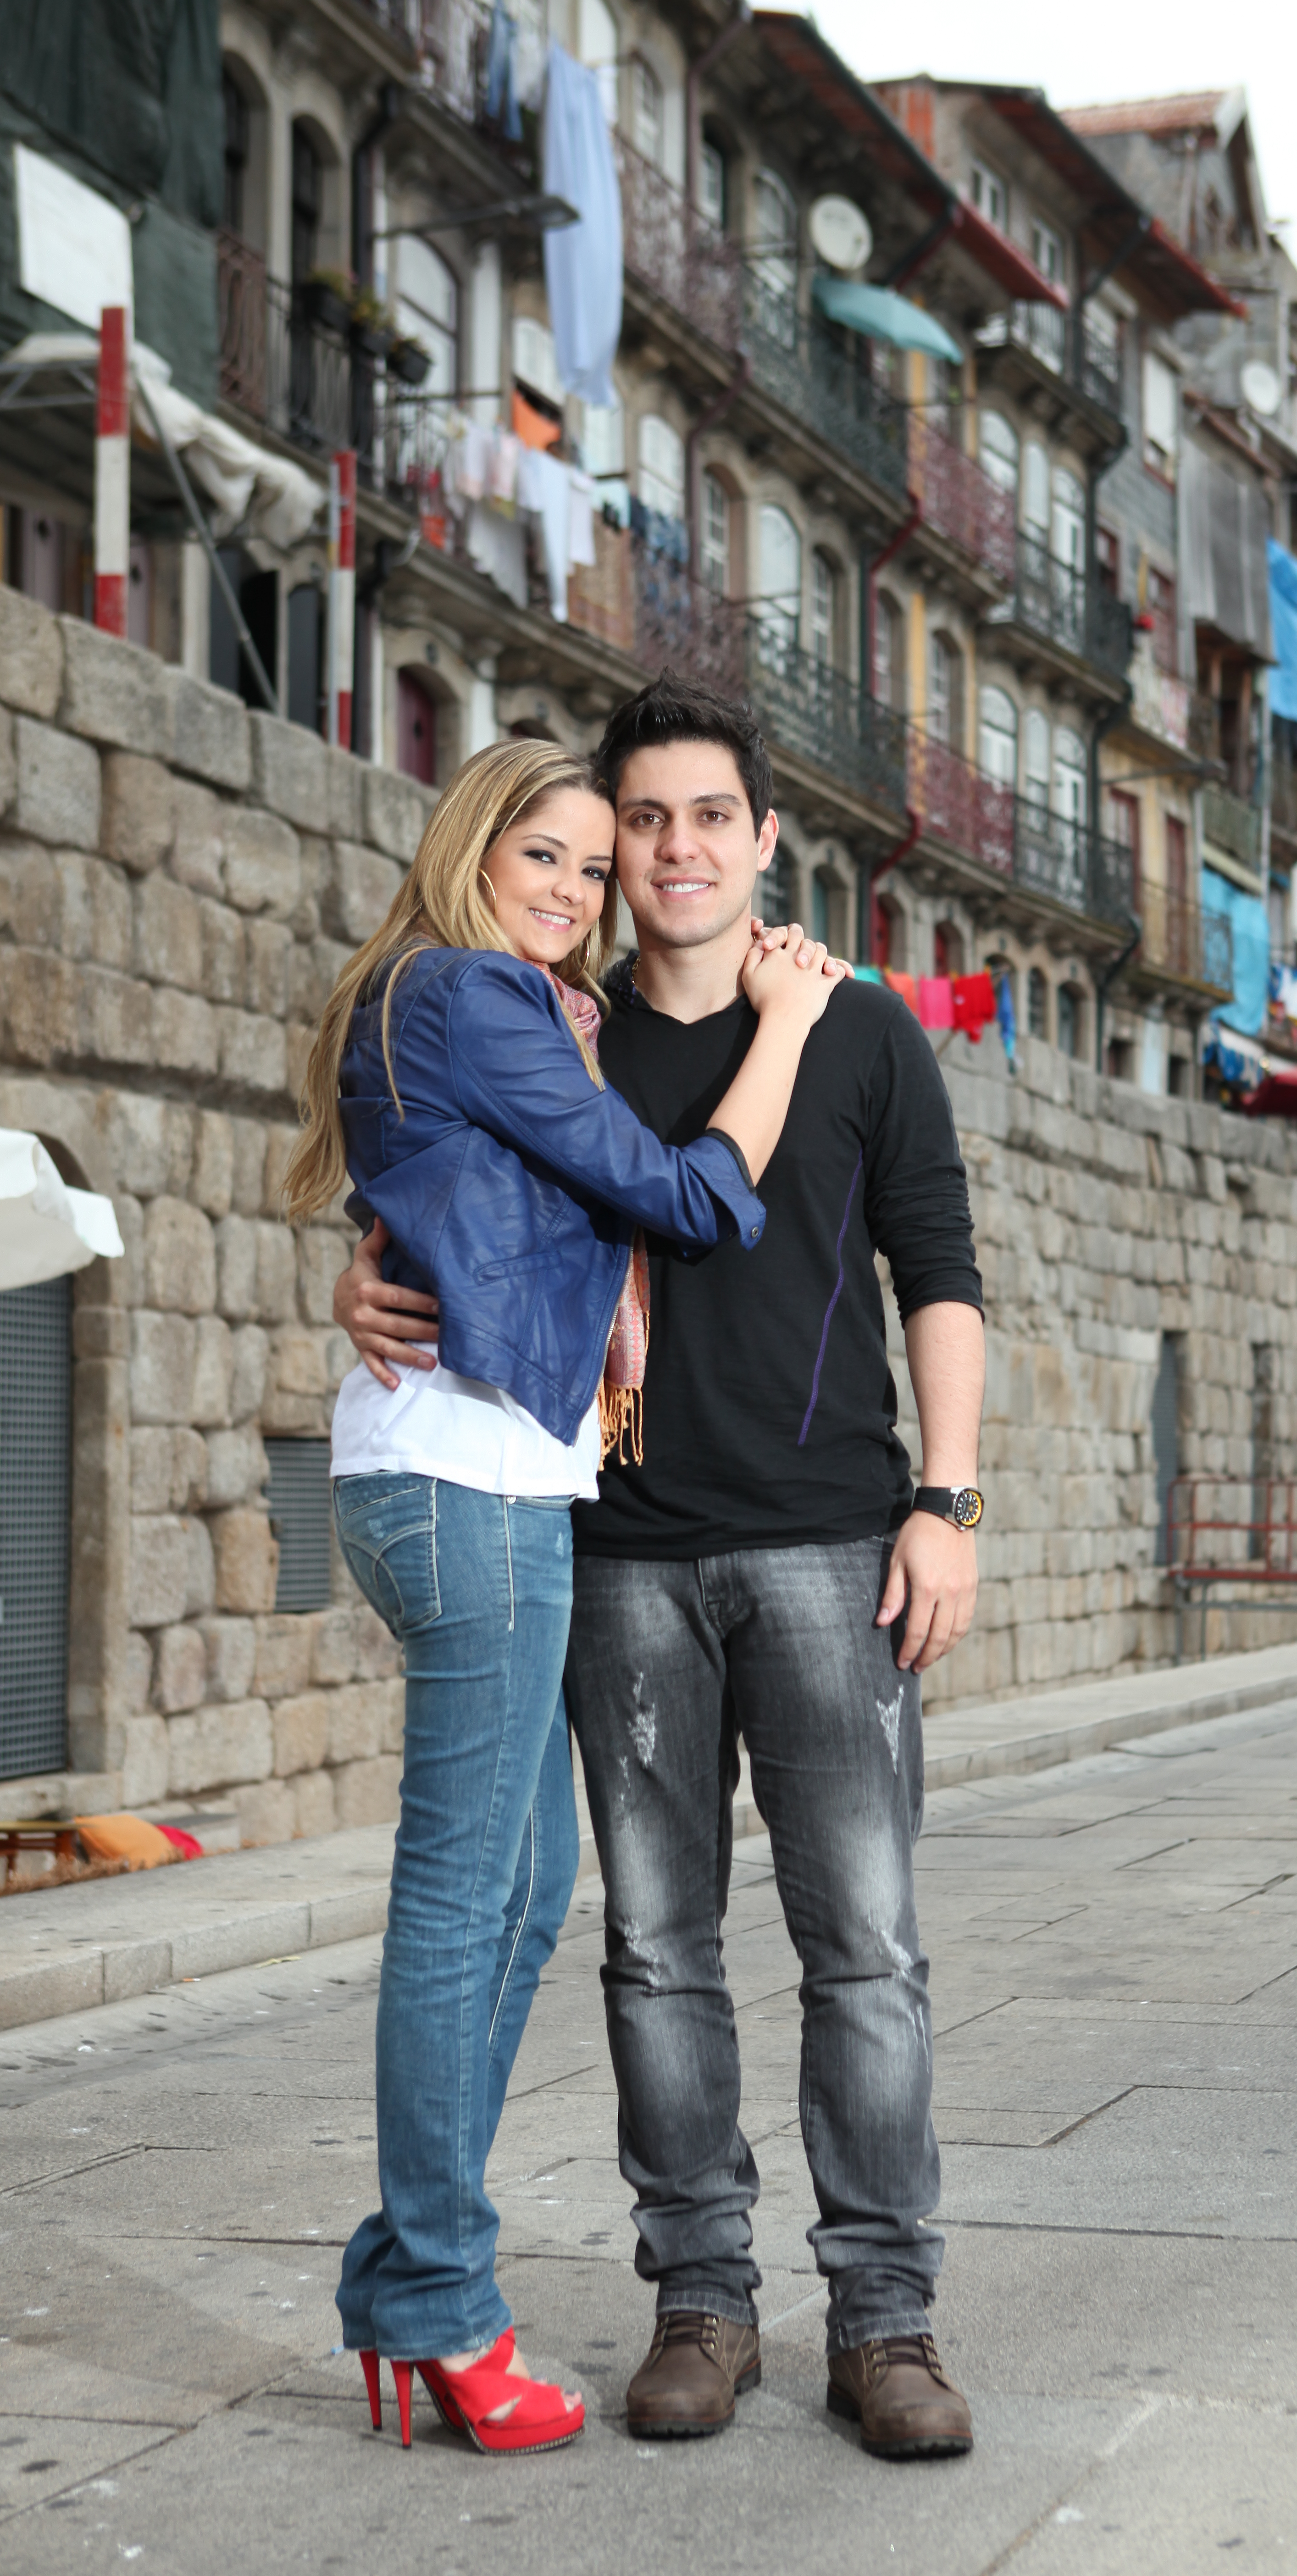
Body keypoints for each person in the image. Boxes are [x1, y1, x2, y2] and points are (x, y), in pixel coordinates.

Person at [337, 675, 987, 2461]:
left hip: (834, 1541)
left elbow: (939, 1274)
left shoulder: (855, 1036)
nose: (672, 846)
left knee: (864, 1946)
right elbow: (451, 1164)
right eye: (642, 820)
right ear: (613, 848)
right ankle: (702, 2304)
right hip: (616, 1551)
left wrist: (952, 1499)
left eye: (712, 815)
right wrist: (359, 1261)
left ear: (765, 839)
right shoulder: (561, 1021)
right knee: (655, 1951)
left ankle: (888, 2322)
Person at [283, 735, 839, 2455]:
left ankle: (407, 2275)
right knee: (468, 1904)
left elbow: (458, 1198)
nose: (577, 890)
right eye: (548, 852)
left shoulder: (470, 1006)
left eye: (594, 869)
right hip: (462, 1487)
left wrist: (370, 1267)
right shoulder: (470, 993)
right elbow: (688, 1200)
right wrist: (794, 1028)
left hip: (465, 1478)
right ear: (472, 844)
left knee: (526, 1889)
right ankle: (443, 2301)